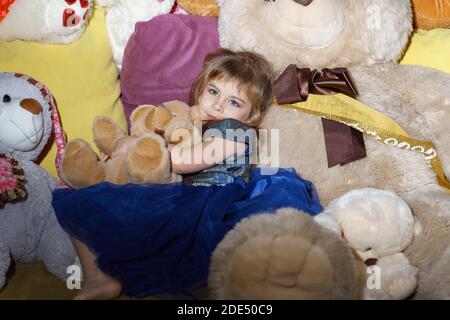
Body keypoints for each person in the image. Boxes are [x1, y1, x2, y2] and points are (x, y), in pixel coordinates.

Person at [52, 49, 323, 300]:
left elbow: (185, 159)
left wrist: (134, 146)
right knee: (83, 201)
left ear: (252, 116)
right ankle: (97, 276)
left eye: (233, 102)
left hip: (214, 203)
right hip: (188, 194)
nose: (218, 105)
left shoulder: (237, 132)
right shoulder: (194, 123)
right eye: (213, 91)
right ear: (200, 89)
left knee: (89, 204)